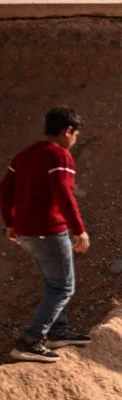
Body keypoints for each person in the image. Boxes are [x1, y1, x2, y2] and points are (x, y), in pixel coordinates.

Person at [2, 106, 92, 363]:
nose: (74, 141)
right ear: (68, 131)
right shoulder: (59, 156)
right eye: (74, 135)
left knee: (53, 282)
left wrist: (10, 222)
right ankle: (31, 341)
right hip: (48, 231)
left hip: (25, 232)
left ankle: (57, 331)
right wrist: (79, 230)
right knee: (63, 287)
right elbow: (64, 195)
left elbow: (5, 189)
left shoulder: (25, 155)